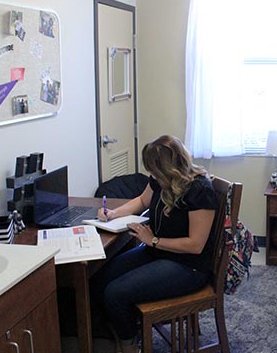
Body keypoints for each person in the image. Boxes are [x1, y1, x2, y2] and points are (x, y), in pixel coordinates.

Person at [91, 135, 219, 352]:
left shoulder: (200, 190)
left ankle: (129, 343)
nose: (152, 175)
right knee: (100, 278)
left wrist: (154, 240)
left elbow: (195, 245)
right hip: (159, 253)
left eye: (154, 170)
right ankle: (125, 329)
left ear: (169, 169)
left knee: (115, 293)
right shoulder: (159, 180)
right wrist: (113, 213)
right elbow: (142, 201)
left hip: (188, 266)